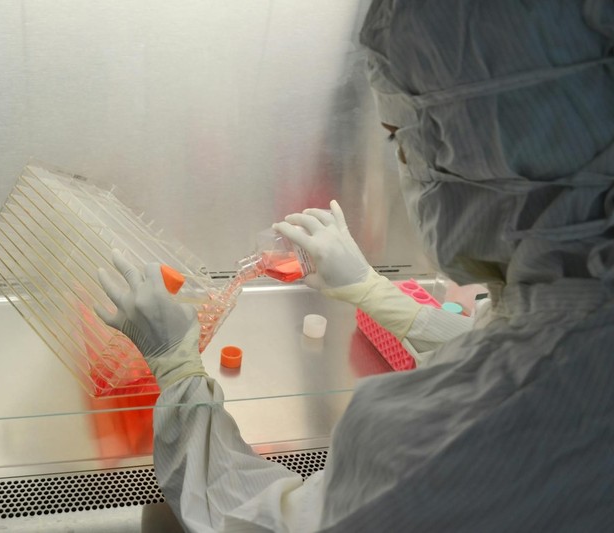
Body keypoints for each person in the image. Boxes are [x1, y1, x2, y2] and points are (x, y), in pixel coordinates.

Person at [96, 1, 614, 530]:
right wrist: (372, 290)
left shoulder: (447, 434)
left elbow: (259, 523)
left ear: (497, 149)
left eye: (406, 141)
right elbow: (509, 343)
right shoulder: (584, 299)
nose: (407, 166)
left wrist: (179, 371)